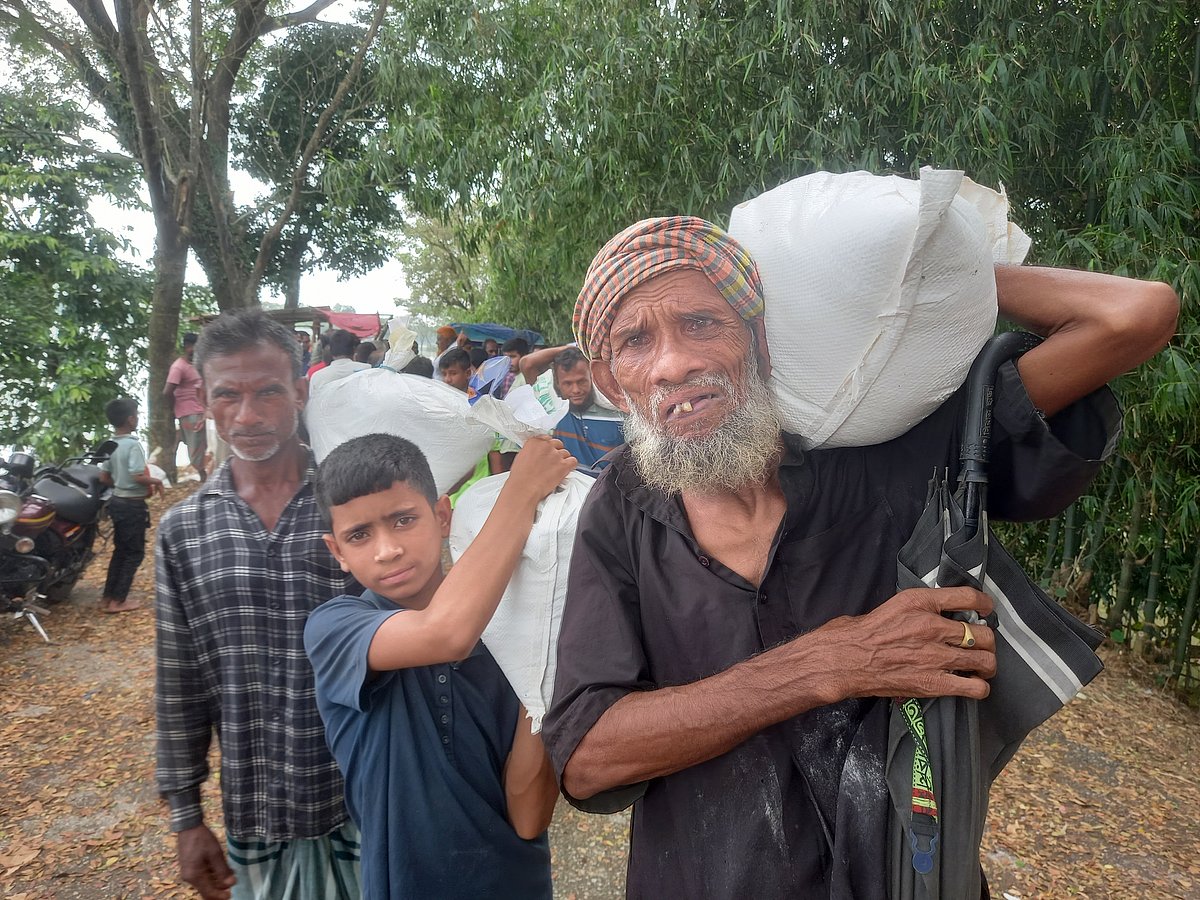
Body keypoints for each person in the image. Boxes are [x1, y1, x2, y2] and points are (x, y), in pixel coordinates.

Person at [541, 217, 1179, 899]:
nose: (674, 364)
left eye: (702, 323)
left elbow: (1133, 316)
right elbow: (587, 757)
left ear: (757, 339)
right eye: (636, 340)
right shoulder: (620, 510)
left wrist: (912, 283)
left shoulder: (885, 450)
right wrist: (828, 663)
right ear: (611, 380)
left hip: (907, 878)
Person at [304, 432, 574, 899]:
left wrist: (538, 642)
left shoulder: (508, 638)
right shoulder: (335, 629)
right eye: (359, 535)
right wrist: (521, 491)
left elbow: (528, 816)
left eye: (403, 519)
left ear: (443, 516)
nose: (386, 549)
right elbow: (445, 633)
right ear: (337, 552)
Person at [155, 309, 362, 900]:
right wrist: (186, 817)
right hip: (256, 810)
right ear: (206, 402)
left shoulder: (354, 507)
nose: (247, 416)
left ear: (299, 392)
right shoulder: (184, 530)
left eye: (268, 391)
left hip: (367, 800)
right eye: (228, 396)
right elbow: (180, 680)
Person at [98, 398, 162, 613]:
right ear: (130, 419)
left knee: (121, 550)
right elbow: (137, 476)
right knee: (134, 553)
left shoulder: (110, 444)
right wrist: (157, 481)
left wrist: (120, 483)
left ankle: (107, 597)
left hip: (116, 502)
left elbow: (104, 477)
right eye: (136, 415)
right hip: (132, 506)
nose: (137, 418)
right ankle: (118, 600)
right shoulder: (133, 444)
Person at [521, 345, 625, 473]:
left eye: (581, 381)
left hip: (606, 491)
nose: (576, 390)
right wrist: (572, 348)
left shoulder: (617, 410)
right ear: (557, 384)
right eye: (568, 384)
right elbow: (527, 364)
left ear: (592, 377)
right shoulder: (553, 407)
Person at [164, 333, 207, 482]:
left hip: (203, 410)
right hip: (189, 412)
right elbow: (167, 391)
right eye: (193, 348)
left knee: (206, 444)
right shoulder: (178, 367)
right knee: (196, 448)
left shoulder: (198, 363)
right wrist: (173, 409)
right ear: (187, 347)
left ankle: (206, 474)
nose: (196, 351)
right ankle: (203, 478)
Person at [309, 329, 369, 395]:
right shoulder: (367, 370)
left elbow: (313, 402)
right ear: (354, 349)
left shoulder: (317, 376)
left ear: (330, 350)